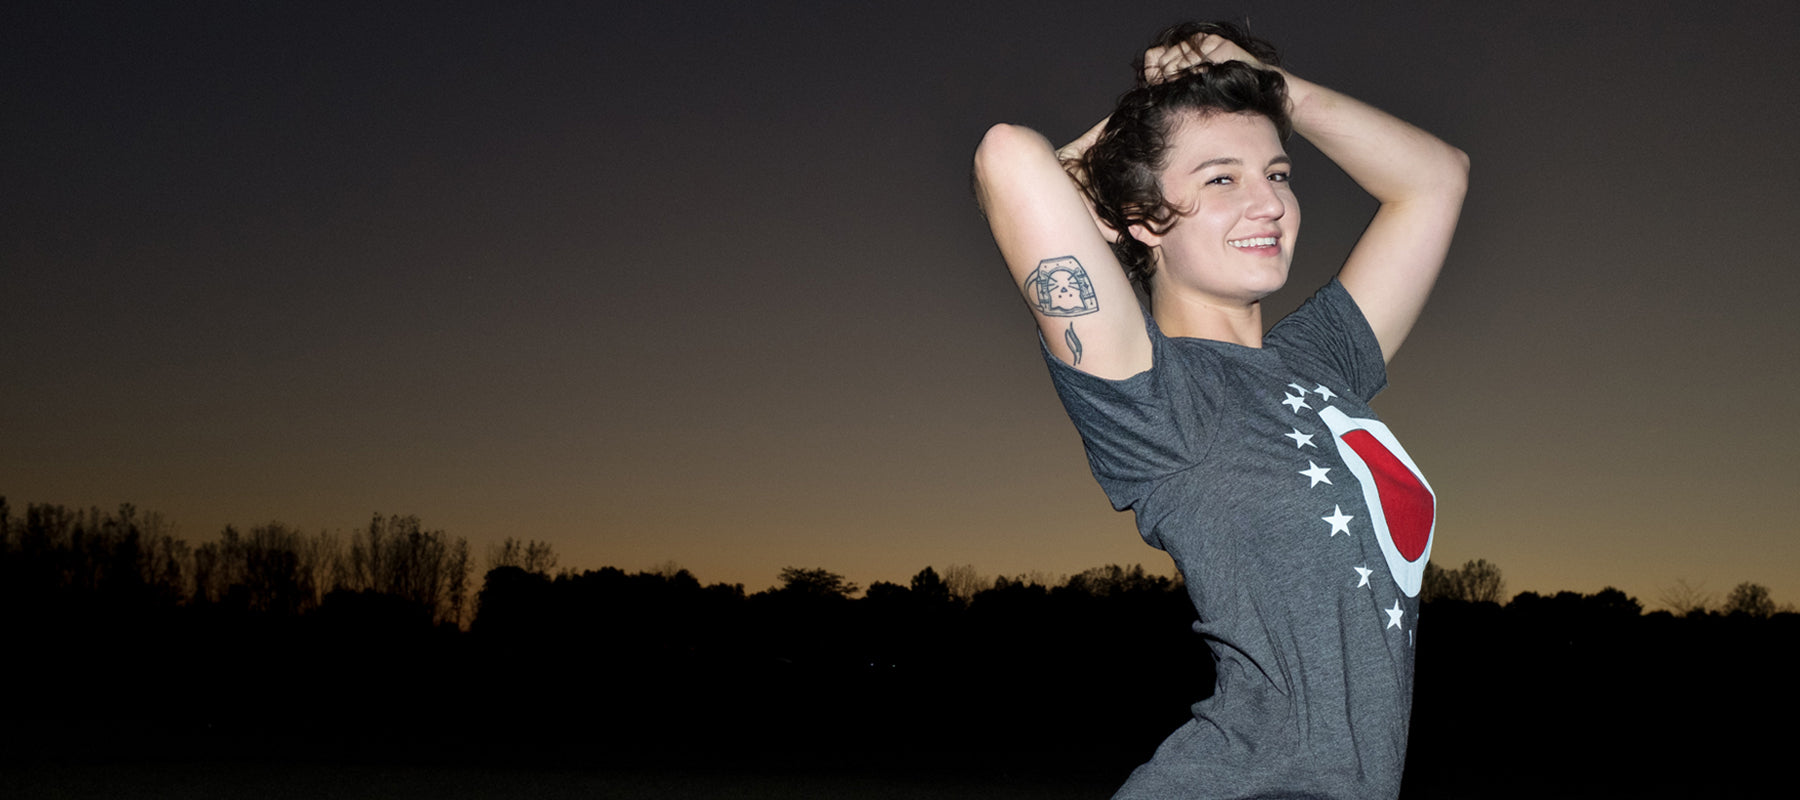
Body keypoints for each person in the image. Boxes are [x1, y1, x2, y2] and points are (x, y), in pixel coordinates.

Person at [972, 21, 1467, 799]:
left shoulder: (1321, 360)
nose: (1269, 201)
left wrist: (1273, 84)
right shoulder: (1154, 393)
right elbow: (1007, 155)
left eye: (1277, 171)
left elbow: (1437, 178)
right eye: (1221, 180)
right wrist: (1146, 120)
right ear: (1140, 216)